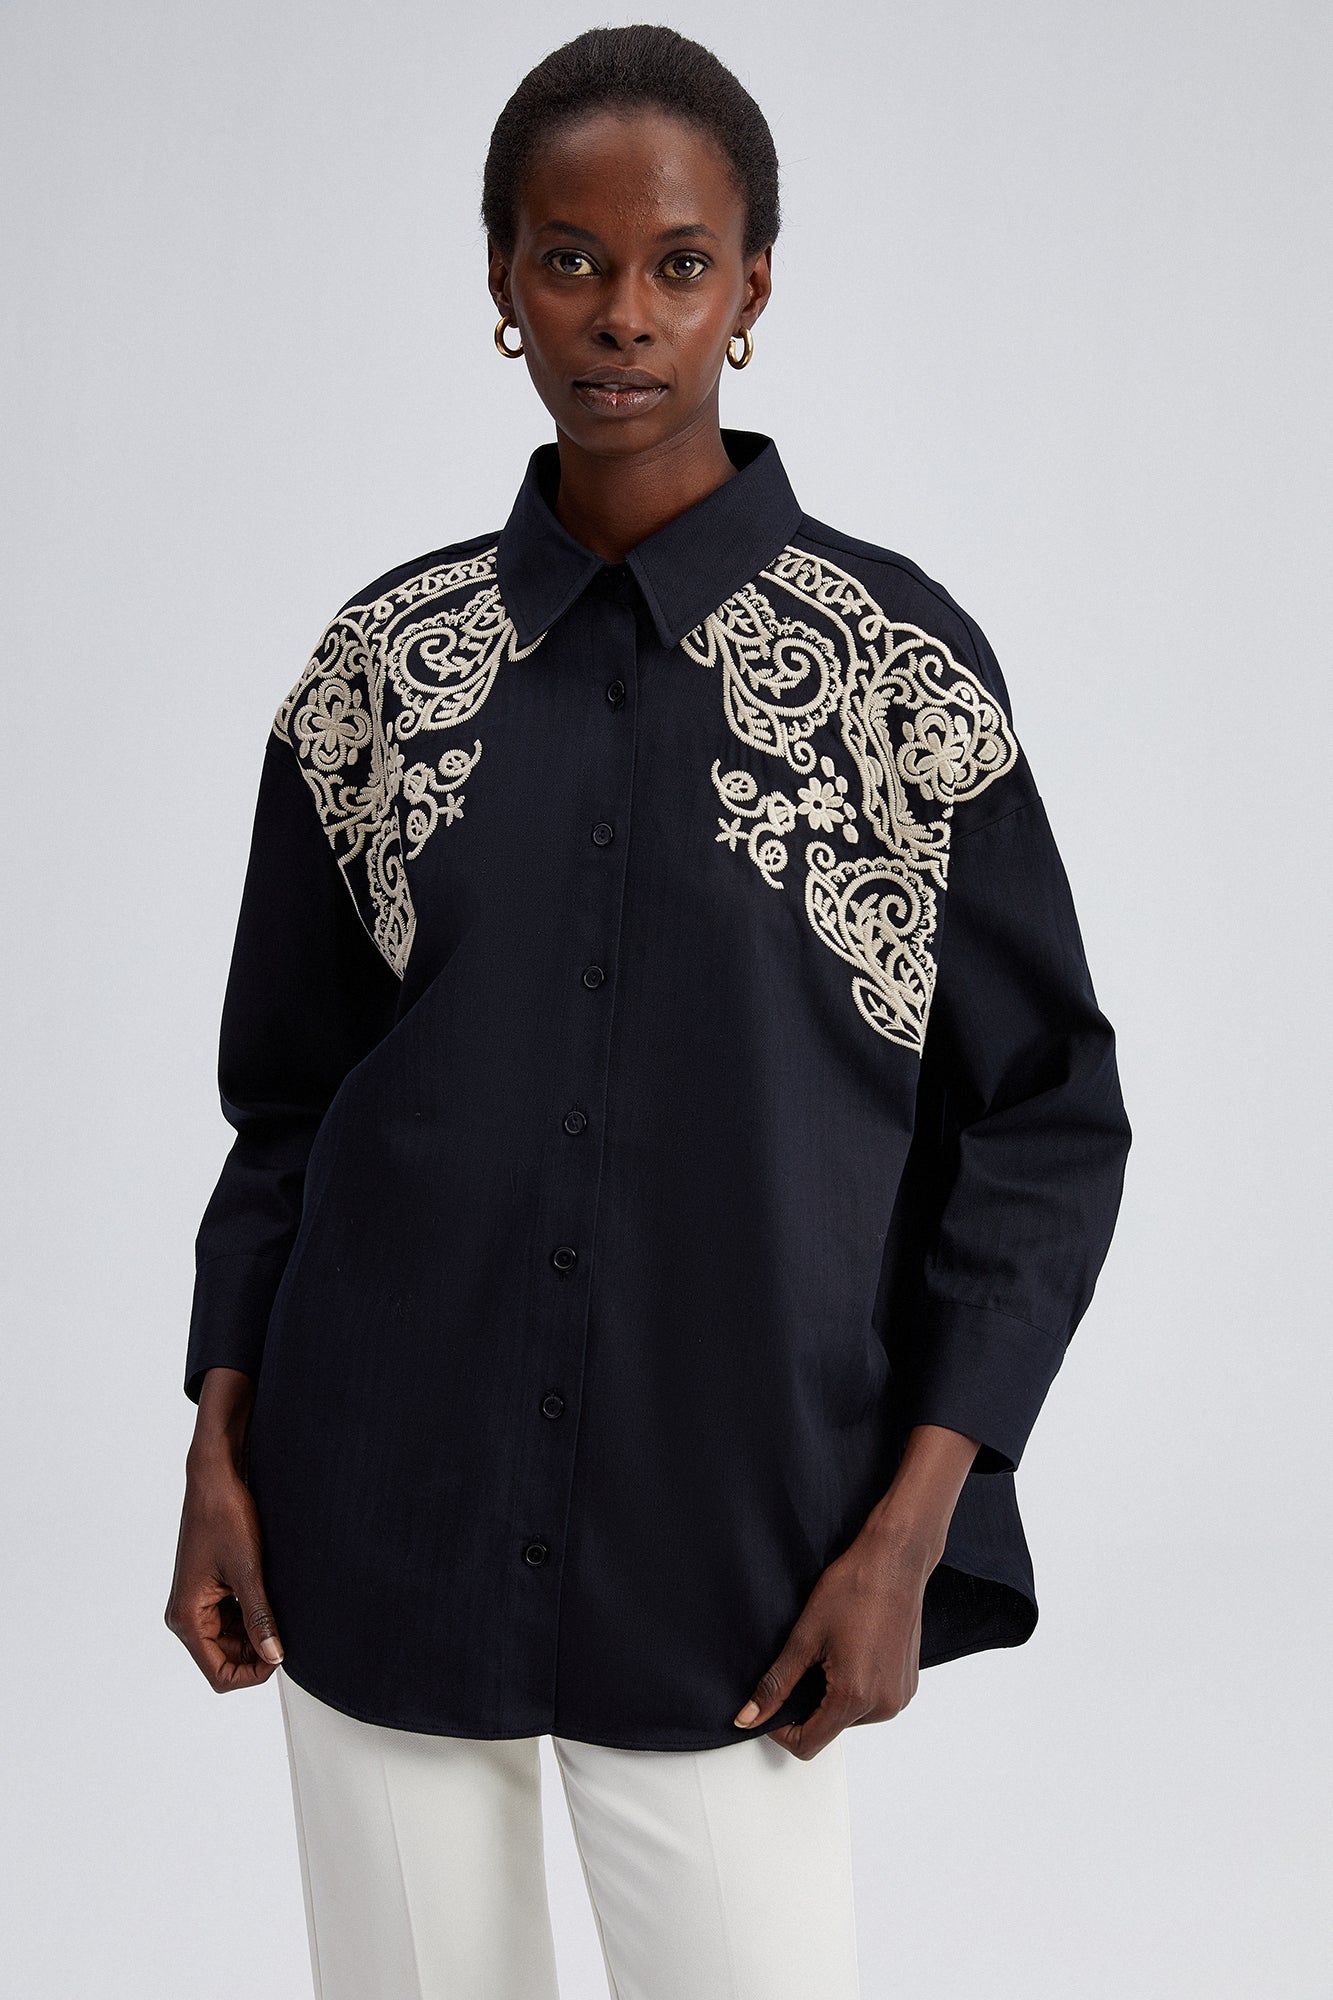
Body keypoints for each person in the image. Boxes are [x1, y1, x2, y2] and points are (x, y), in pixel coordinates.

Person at [165, 24, 1131, 2000]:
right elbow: (287, 1110)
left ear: (751, 288)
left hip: (743, 1549)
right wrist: (218, 1452)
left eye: (678, 264)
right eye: (570, 259)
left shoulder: (896, 672)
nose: (622, 315)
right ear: (501, 281)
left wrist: (911, 1534)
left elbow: (1042, 1117)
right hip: (381, 1506)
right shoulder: (379, 671)